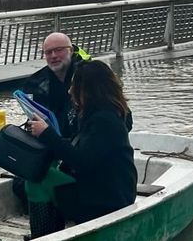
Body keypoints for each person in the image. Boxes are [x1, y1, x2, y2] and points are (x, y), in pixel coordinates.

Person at [26, 59, 137, 231]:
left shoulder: (104, 120)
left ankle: (44, 237)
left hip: (108, 197)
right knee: (43, 170)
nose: (70, 91)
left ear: (88, 90)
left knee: (37, 179)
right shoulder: (101, 112)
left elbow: (82, 162)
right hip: (104, 186)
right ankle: (52, 229)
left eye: (74, 86)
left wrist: (47, 134)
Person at [21, 32, 89, 139]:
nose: (53, 56)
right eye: (48, 52)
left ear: (71, 51)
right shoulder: (35, 83)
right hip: (53, 140)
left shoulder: (90, 74)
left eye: (59, 50)